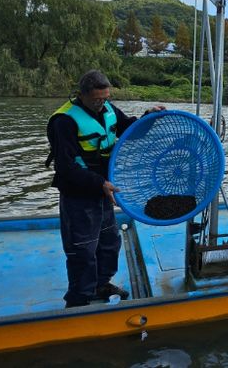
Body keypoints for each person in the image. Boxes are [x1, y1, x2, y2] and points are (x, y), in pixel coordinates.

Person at [47, 70, 165, 307]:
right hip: (79, 194)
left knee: (109, 241)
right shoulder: (64, 121)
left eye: (105, 98)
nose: (101, 103)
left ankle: (101, 284)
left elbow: (128, 129)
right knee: (82, 249)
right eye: (96, 100)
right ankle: (79, 299)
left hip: (104, 190)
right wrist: (99, 183)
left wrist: (148, 116)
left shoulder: (108, 109)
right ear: (82, 95)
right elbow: (65, 167)